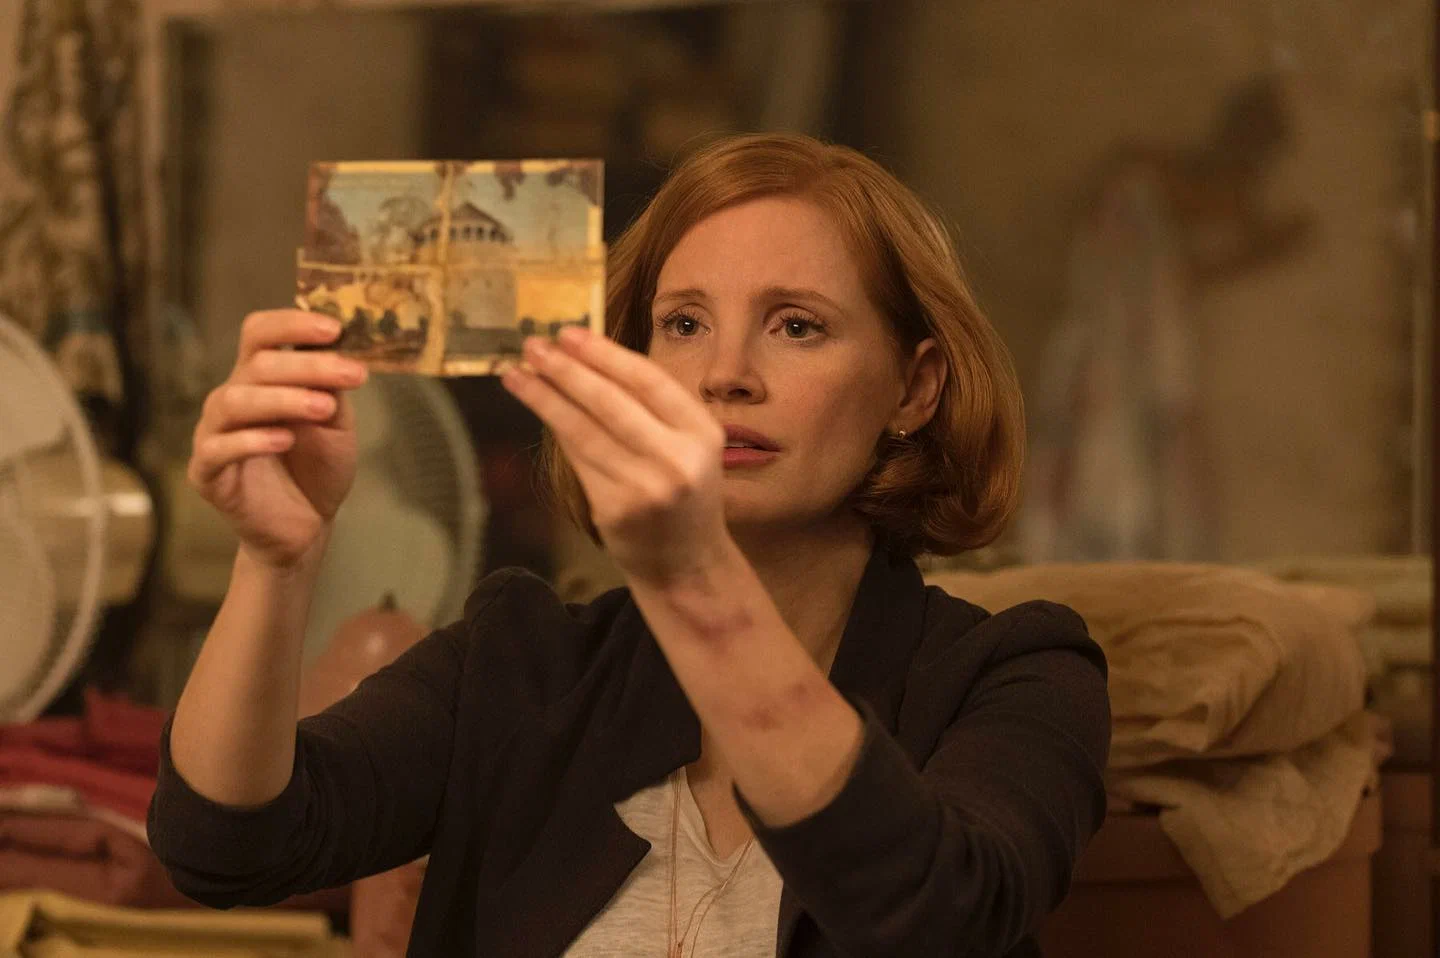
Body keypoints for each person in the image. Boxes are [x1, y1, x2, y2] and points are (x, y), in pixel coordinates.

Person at [149, 132, 1110, 958]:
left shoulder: (1018, 672)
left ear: (915, 388)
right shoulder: (520, 661)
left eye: (797, 326)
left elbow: (940, 916)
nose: (725, 374)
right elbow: (224, 848)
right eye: (683, 323)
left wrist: (693, 575)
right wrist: (277, 561)